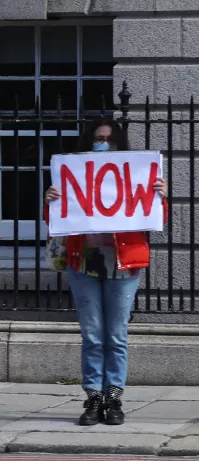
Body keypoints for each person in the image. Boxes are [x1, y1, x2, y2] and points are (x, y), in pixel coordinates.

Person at [44, 118, 166, 426]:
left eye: (110, 141)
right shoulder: (74, 174)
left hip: (124, 264)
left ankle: (114, 398)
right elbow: (57, 221)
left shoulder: (134, 176)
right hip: (82, 263)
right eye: (99, 139)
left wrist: (160, 197)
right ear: (89, 142)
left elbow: (152, 219)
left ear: (120, 146)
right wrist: (50, 202)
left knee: (116, 334)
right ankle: (93, 397)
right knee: (93, 335)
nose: (104, 145)